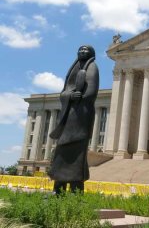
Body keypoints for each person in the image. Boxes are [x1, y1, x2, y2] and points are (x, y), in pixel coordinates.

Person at [49, 45, 99, 195]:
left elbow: (92, 90)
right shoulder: (74, 69)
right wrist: (70, 96)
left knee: (77, 152)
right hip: (69, 114)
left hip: (81, 115)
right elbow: (64, 91)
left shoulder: (92, 68)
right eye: (80, 50)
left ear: (91, 54)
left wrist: (82, 97)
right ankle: (58, 187)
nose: (82, 52)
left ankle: (76, 190)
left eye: (86, 50)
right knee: (61, 150)